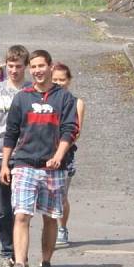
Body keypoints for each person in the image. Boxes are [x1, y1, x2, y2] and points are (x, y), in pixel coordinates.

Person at [0, 50, 78, 267]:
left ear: (50, 67)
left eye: (41, 66)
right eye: (33, 67)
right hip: (24, 163)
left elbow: (70, 130)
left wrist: (58, 155)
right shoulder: (22, 97)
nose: (37, 71)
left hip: (53, 167)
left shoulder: (64, 98)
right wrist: (5, 163)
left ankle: (46, 261)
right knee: (21, 214)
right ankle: (21, 264)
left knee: (50, 218)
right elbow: (11, 132)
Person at [0, 45, 31, 267]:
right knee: (4, 210)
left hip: (25, 156)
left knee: (22, 210)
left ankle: (20, 255)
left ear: (26, 67)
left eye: (18, 66)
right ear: (5, 66)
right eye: (10, 66)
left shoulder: (32, 92)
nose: (14, 70)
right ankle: (7, 253)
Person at [51, 62, 85, 247]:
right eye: (55, 79)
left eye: (62, 79)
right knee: (49, 194)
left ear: (69, 80)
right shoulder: (45, 99)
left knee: (61, 195)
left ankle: (62, 228)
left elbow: (76, 132)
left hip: (66, 155)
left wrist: (60, 150)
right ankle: (50, 228)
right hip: (44, 152)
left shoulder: (76, 102)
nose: (58, 82)